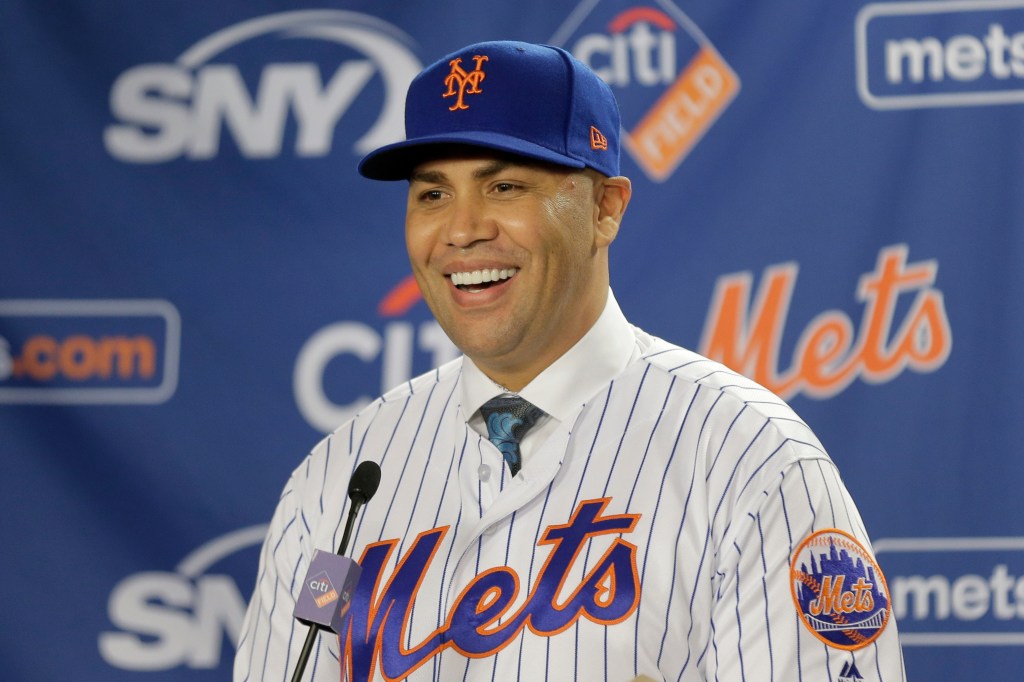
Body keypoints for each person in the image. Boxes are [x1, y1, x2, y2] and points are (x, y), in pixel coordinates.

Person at [235, 40, 905, 682]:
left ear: (605, 209)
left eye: (505, 187)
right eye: (433, 194)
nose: (462, 230)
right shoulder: (340, 481)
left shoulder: (747, 457)